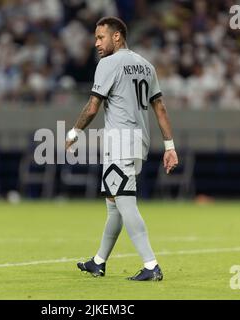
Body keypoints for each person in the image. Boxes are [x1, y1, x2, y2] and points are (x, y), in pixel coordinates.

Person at [65, 16, 179, 281]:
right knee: (114, 203)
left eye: (100, 37)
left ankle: (151, 265)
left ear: (117, 36)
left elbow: (93, 106)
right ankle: (98, 261)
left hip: (119, 142)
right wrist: (169, 146)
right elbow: (159, 108)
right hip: (139, 141)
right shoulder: (146, 66)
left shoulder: (108, 64)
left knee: (126, 202)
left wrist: (74, 131)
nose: (96, 43)